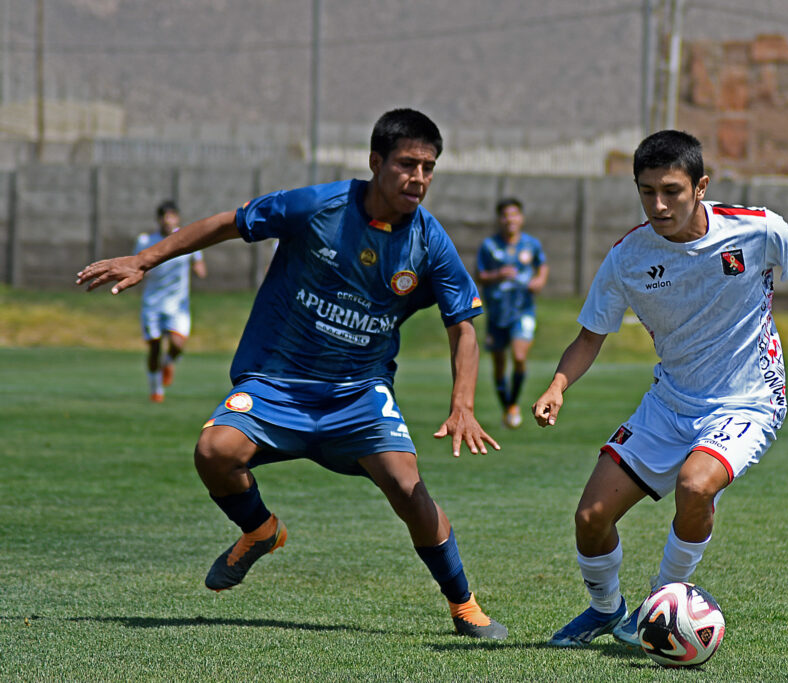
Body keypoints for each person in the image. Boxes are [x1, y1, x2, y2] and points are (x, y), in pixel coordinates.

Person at [76, 108, 508, 640]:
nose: (418, 178)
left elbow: (463, 321)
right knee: (214, 452)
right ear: (376, 162)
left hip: (359, 394)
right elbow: (229, 223)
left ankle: (464, 604)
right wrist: (147, 259)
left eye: (428, 167)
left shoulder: (428, 241)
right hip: (277, 383)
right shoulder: (318, 206)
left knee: (409, 491)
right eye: (406, 164)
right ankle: (259, 530)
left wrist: (462, 403)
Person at [532, 130, 788, 648]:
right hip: (670, 403)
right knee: (590, 518)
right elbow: (590, 336)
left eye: (671, 190)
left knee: (696, 486)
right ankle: (607, 610)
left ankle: (661, 604)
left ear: (700, 186)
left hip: (749, 399)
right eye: (647, 191)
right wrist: (558, 386)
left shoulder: (755, 229)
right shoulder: (628, 258)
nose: (658, 204)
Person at [475, 197, 548, 428]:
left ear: (521, 218)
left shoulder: (531, 244)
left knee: (518, 357)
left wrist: (539, 280)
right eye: (505, 215)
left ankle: (513, 405)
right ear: (499, 219)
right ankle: (507, 406)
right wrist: (498, 275)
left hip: (522, 310)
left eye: (514, 214)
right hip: (497, 313)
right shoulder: (489, 246)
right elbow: (480, 276)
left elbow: (542, 265)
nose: (510, 219)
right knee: (498, 364)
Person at [134, 199, 207, 402]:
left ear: (178, 218)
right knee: (154, 346)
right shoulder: (147, 241)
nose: (168, 220)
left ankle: (168, 362)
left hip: (178, 305)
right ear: (158, 219)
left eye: (172, 216)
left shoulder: (188, 239)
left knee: (177, 344)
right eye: (164, 216)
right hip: (153, 303)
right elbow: (137, 265)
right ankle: (156, 389)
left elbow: (199, 263)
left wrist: (199, 268)